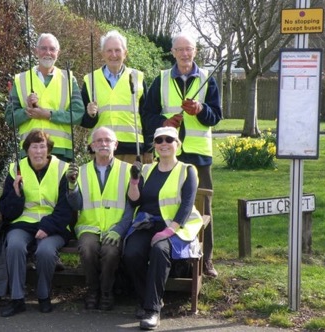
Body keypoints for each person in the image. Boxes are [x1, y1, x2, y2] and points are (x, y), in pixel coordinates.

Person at [142, 32, 222, 278]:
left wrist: (200, 109)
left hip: (198, 155)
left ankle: (205, 259)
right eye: (180, 50)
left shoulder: (208, 79)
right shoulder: (162, 79)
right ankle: (173, 257)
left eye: (189, 49)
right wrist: (165, 121)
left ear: (195, 51)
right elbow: (147, 116)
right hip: (168, 154)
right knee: (167, 205)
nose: (185, 54)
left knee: (202, 207)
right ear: (173, 52)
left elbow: (216, 116)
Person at [123, 126, 204, 330]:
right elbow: (134, 201)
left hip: (175, 226)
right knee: (131, 252)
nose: (164, 143)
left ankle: (152, 310)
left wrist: (168, 231)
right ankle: (147, 298)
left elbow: (186, 205)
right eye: (159, 140)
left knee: (160, 250)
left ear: (178, 144)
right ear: (155, 146)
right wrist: (134, 180)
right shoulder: (148, 169)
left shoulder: (187, 170)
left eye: (169, 139)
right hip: (147, 223)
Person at [0, 129, 73, 317]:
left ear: (49, 149)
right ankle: (17, 299)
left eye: (42, 147)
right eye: (34, 147)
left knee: (45, 251)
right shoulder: (16, 169)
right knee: (14, 245)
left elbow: (67, 208)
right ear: (27, 150)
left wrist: (48, 227)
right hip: (23, 222)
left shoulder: (63, 169)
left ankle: (44, 296)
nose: (38, 151)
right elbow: (6, 210)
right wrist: (16, 193)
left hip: (54, 225)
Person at [66, 127, 133, 310]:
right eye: (99, 141)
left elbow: (132, 206)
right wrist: (72, 185)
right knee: (88, 249)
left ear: (115, 145)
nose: (103, 144)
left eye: (108, 140)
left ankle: (106, 292)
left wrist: (119, 230)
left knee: (111, 252)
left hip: (116, 226)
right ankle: (92, 290)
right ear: (92, 146)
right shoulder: (81, 171)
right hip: (89, 226)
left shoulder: (128, 170)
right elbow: (76, 205)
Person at [5, 33, 85, 162]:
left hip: (61, 151)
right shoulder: (20, 80)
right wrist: (27, 111)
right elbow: (10, 118)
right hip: (30, 150)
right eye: (43, 48)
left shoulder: (69, 79)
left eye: (52, 49)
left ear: (58, 53)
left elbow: (78, 114)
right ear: (36, 51)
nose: (48, 52)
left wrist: (48, 114)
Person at [80, 30, 151, 164]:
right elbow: (84, 122)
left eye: (118, 50)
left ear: (125, 53)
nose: (114, 55)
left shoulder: (137, 78)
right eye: (109, 51)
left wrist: (148, 148)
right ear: (102, 54)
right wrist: (90, 115)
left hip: (132, 150)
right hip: (100, 148)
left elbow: (147, 116)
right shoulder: (90, 80)